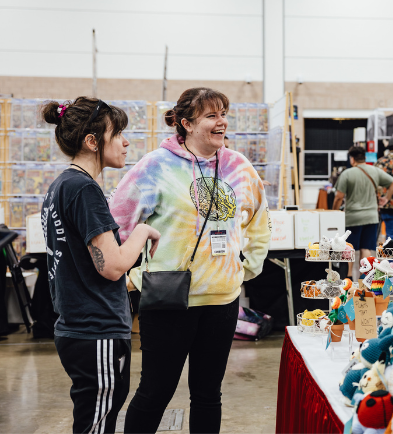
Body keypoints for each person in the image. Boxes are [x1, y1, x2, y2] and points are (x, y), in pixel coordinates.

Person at [109, 88, 271, 434]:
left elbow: (259, 220)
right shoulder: (156, 165)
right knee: (155, 392)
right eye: (211, 116)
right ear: (186, 123)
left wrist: (247, 267)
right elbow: (118, 221)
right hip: (168, 301)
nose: (221, 122)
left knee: (209, 395)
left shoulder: (239, 166)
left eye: (224, 113)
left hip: (222, 300)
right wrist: (132, 273)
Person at [41, 97, 161, 434]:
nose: (125, 143)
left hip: (79, 328)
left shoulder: (61, 187)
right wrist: (141, 230)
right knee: (96, 423)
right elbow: (112, 266)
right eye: (118, 134)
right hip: (95, 330)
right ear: (92, 142)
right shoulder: (83, 189)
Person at [333, 146, 393, 264]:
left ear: (352, 159)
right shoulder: (375, 171)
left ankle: (349, 278)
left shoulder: (347, 174)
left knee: (349, 248)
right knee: (366, 248)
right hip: (371, 217)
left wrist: (334, 212)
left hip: (353, 217)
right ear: (364, 157)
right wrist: (386, 198)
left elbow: (338, 197)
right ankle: (364, 278)